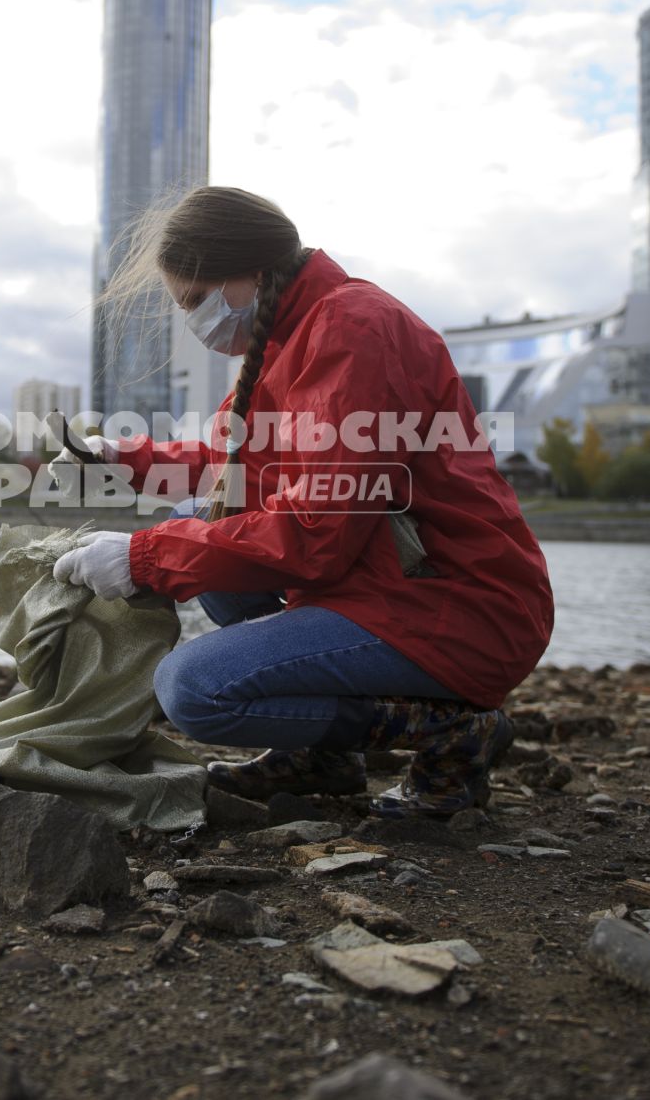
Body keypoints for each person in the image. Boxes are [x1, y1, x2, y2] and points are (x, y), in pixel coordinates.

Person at [50, 185, 553, 817]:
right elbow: (232, 468)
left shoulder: (353, 328)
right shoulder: (285, 338)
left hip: (458, 605)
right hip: (378, 588)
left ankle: (452, 735)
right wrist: (124, 458)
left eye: (195, 301)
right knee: (191, 521)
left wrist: (144, 559)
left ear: (250, 274)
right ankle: (323, 756)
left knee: (195, 690)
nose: (194, 321)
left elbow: (317, 528)